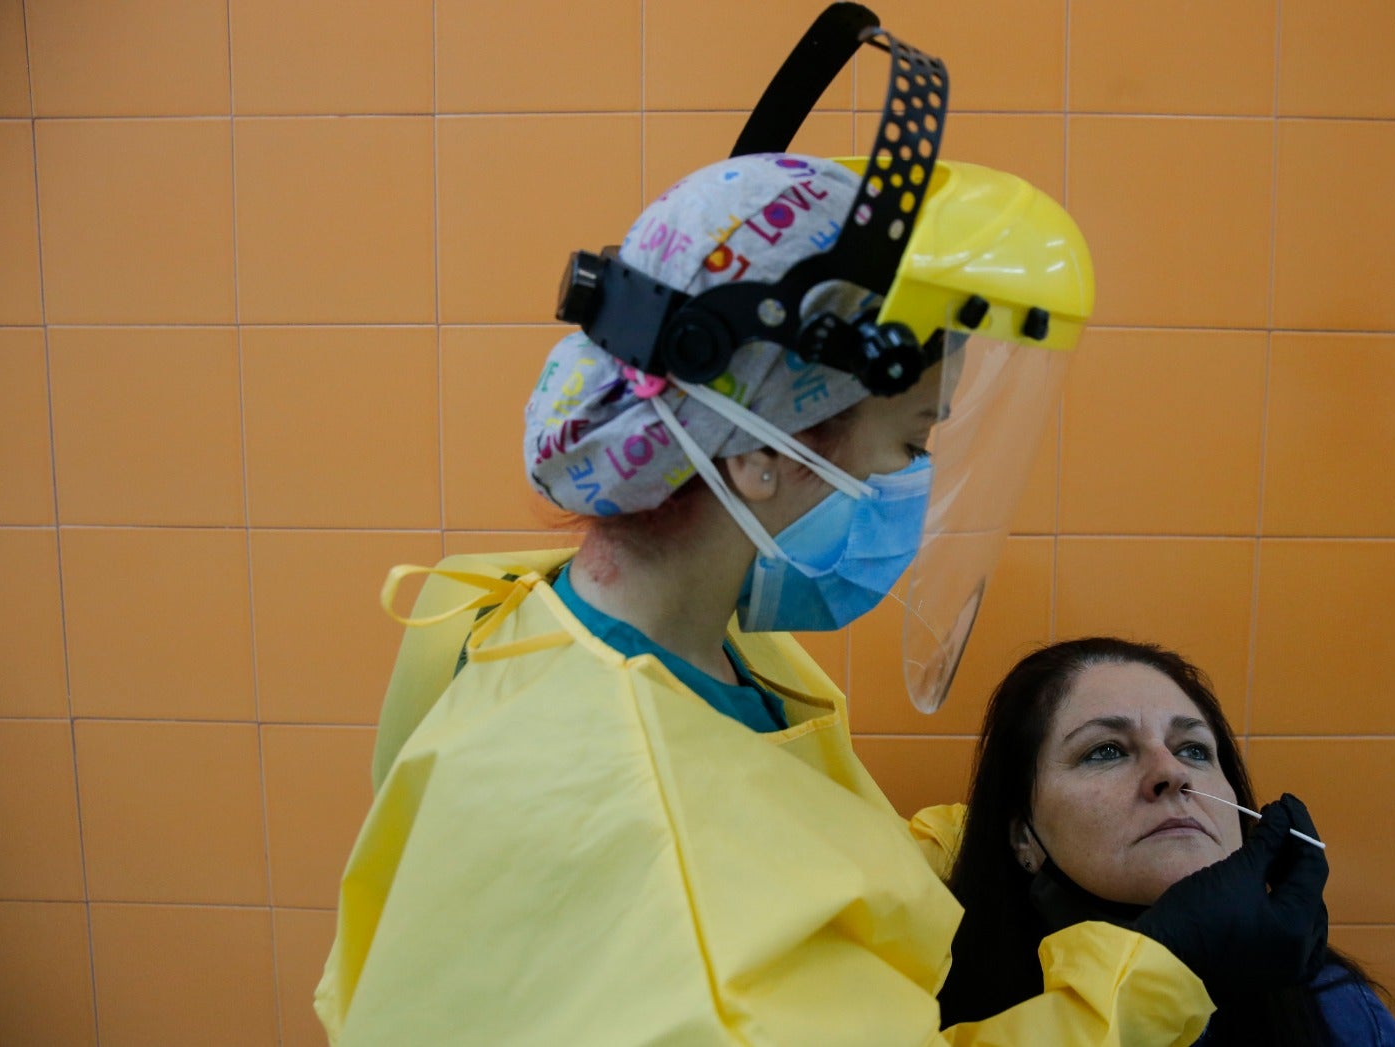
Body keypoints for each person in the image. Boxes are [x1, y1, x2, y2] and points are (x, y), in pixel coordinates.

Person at [314, 7, 1331, 1044]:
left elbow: (782, 845)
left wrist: (990, 838)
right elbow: (722, 909)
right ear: (756, 453)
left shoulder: (609, 633)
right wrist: (1156, 974)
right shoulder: (649, 856)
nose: (918, 488)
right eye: (908, 447)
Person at [933, 637, 1395, 1046]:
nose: (1172, 772)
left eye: (1193, 750)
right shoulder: (935, 1011)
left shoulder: (1338, 1010)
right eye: (1106, 751)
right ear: (1023, 837)